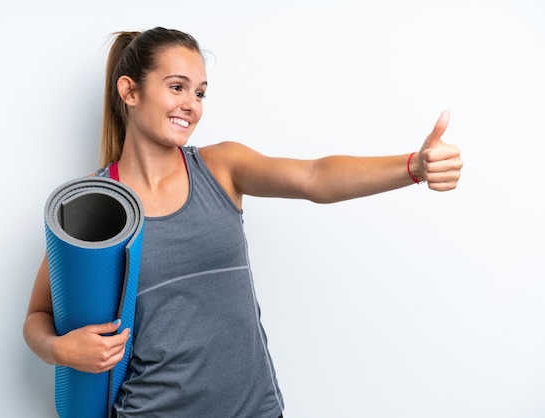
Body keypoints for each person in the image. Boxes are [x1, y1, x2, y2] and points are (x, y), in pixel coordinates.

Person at [23, 26, 462, 418]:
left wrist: (413, 166)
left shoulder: (221, 167)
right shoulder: (97, 202)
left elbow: (314, 177)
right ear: (130, 91)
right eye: (177, 87)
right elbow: (38, 315)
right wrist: (60, 349)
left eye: (200, 93)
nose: (191, 105)